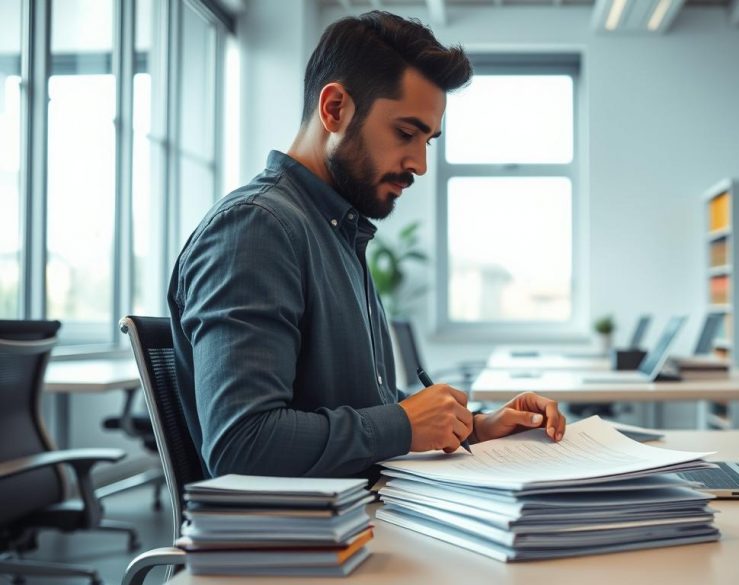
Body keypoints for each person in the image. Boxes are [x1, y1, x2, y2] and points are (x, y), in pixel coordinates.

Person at [168, 11, 566, 479]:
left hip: (356, 523)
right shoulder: (256, 229)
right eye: (405, 133)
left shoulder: (333, 230)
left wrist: (474, 427)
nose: (419, 163)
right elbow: (241, 443)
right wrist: (402, 423)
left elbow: (362, 407)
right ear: (334, 108)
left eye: (428, 142)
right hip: (300, 545)